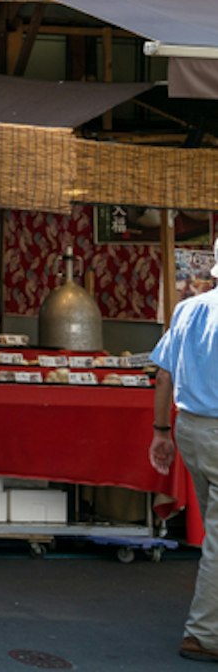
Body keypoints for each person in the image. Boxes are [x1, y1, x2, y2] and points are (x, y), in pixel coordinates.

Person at [149, 247, 218, 663]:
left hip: (190, 427)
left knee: (215, 530)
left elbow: (163, 374)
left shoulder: (189, 309)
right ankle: (204, 633)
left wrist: (160, 432)